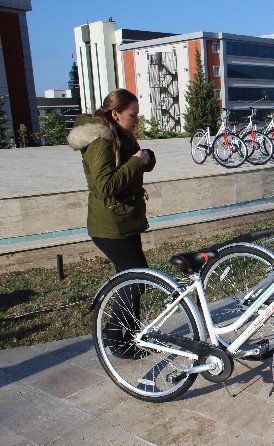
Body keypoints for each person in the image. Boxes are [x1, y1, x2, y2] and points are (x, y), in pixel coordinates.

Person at [67, 88, 155, 358]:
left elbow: (134, 161)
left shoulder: (118, 133)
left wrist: (145, 158)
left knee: (133, 278)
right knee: (137, 279)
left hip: (123, 221)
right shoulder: (101, 140)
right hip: (110, 226)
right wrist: (137, 162)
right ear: (115, 113)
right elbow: (105, 186)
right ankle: (117, 338)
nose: (136, 120)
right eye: (132, 115)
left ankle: (129, 336)